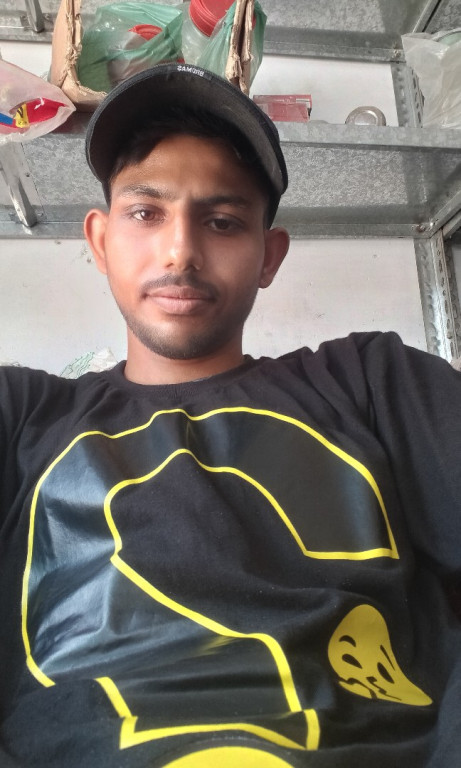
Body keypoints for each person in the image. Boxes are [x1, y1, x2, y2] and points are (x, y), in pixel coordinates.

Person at [0, 63, 460, 768]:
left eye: (221, 221)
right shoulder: (23, 416)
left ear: (268, 257)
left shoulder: (372, 382)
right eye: (145, 213)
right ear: (99, 241)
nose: (180, 251)